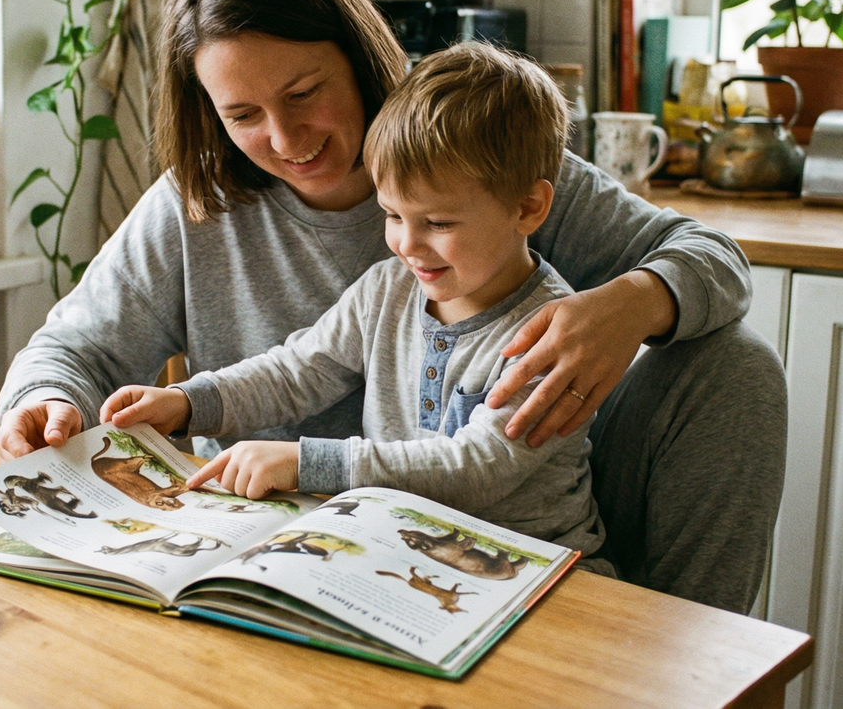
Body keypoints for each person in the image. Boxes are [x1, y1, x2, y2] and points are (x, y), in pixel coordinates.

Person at [0, 0, 786, 613]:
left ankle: (692, 666)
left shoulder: (477, 157)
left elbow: (715, 259)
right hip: (283, 539)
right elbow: (79, 348)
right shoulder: (199, 202)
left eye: (304, 93)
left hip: (483, 529)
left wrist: (631, 304)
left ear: (357, 55)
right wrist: (46, 400)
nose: (285, 138)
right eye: (242, 115)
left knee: (740, 365)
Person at [97, 43, 604, 564]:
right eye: (392, 215)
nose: (407, 245)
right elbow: (296, 372)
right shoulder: (386, 289)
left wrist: (307, 464)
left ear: (528, 207)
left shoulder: (554, 336)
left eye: (438, 223)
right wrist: (187, 402)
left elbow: (477, 466)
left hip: (540, 567)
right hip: (405, 546)